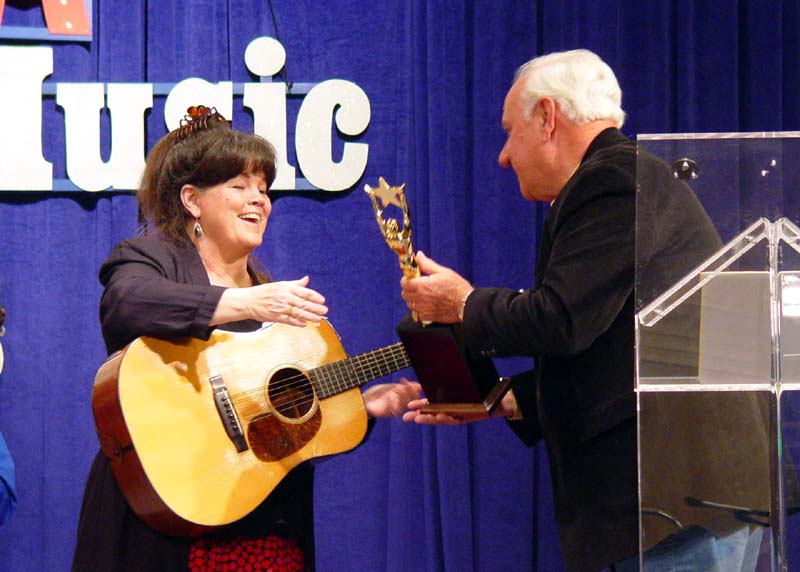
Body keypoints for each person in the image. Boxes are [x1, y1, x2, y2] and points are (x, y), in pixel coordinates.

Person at [398, 50, 766, 572]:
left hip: (678, 500)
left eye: (509, 132)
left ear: (547, 117)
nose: (504, 156)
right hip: (682, 498)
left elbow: (563, 320)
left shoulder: (611, 179)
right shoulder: (619, 176)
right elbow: (617, 343)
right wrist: (503, 400)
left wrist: (462, 303)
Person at [72, 107, 420, 572]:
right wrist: (245, 303)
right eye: (238, 186)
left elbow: (276, 433)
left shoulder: (272, 293)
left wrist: (356, 406)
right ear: (192, 200)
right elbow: (127, 303)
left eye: (263, 187)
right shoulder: (151, 259)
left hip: (263, 533)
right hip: (166, 521)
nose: (258, 198)